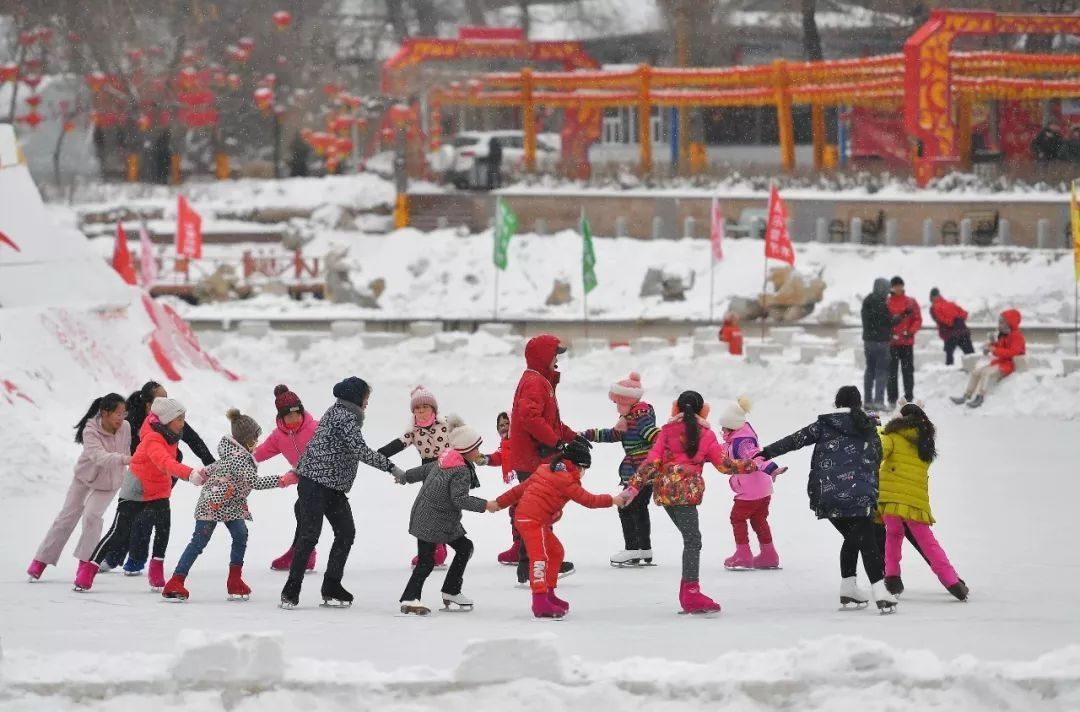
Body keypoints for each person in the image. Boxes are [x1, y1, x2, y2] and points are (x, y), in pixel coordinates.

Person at [758, 386, 898, 613]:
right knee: (866, 540)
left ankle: (849, 587)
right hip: (859, 494)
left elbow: (795, 440)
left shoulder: (824, 424)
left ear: (836, 403)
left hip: (826, 493)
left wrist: (765, 452)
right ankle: (880, 591)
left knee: (854, 538)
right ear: (858, 404)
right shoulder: (867, 427)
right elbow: (877, 456)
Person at [624, 391, 758, 615]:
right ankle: (691, 593)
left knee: (691, 538)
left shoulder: (666, 431)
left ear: (676, 407)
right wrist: (752, 465)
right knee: (693, 540)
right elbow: (725, 466)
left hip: (666, 493)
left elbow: (651, 462)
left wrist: (633, 487)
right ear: (702, 410)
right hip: (686, 495)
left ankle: (689, 591)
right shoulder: (705, 434)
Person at [280, 377, 405, 609]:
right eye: (366, 398)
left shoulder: (338, 411)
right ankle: (291, 590)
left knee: (346, 533)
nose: (367, 403)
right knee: (310, 535)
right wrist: (391, 467)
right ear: (357, 397)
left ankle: (331, 585)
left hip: (333, 487)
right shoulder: (345, 417)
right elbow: (360, 450)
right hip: (315, 484)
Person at [75, 397, 207, 593]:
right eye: (179, 419)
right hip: (136, 488)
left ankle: (156, 571)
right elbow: (165, 462)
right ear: (167, 420)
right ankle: (88, 570)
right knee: (118, 532)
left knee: (163, 528)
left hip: (159, 488)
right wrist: (190, 474)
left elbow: (172, 460)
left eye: (184, 418)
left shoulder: (171, 434)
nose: (183, 423)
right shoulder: (153, 438)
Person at [163, 410, 298, 601]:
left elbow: (214, 468)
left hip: (231, 506)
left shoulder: (235, 456)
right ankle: (176, 581)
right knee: (199, 542)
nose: (257, 442)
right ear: (246, 440)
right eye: (255, 438)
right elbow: (256, 482)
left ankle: (235, 579)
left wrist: (203, 474)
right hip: (212, 505)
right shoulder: (239, 459)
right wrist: (283, 480)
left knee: (240, 535)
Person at [491, 440, 626, 619]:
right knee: (539, 558)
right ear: (578, 466)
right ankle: (539, 601)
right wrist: (613, 500)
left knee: (555, 552)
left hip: (531, 519)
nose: (583, 474)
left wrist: (499, 503)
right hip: (531, 520)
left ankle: (549, 593)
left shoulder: (546, 469)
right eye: (584, 469)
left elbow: (519, 490)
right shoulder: (566, 480)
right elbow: (590, 501)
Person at [106, 381, 215, 576]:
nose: (167, 401)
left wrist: (212, 464)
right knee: (127, 517)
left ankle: (136, 559)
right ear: (148, 405)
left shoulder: (170, 416)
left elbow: (193, 440)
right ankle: (113, 556)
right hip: (141, 474)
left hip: (166, 472)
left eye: (167, 397)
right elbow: (128, 450)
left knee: (147, 515)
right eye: (160, 398)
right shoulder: (136, 421)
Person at [27, 394, 131, 581]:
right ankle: (41, 560)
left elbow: (127, 450)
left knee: (92, 517)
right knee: (65, 519)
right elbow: (99, 456)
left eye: (124, 413)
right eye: (117, 413)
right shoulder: (90, 430)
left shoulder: (125, 427)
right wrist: (125, 459)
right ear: (105, 413)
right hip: (84, 479)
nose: (121, 418)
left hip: (109, 483)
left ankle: (85, 565)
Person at [395, 416, 490, 615]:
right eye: (476, 449)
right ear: (465, 450)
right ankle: (410, 599)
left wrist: (406, 476)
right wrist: (486, 505)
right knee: (426, 561)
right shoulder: (461, 470)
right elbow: (460, 500)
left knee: (464, 547)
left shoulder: (447, 458)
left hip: (428, 515)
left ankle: (451, 590)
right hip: (434, 520)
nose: (479, 453)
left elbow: (425, 469)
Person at [509, 333, 581, 582]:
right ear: (543, 357)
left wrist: (572, 437)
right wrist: (555, 442)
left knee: (538, 511)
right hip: (533, 458)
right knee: (538, 512)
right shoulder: (536, 383)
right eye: (554, 355)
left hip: (533, 457)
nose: (557, 360)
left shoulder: (540, 380)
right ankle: (535, 564)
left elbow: (550, 420)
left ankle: (535, 562)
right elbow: (530, 418)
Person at [877, 404, 968, 601]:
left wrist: (879, 429)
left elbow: (880, 450)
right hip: (915, 500)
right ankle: (952, 581)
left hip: (890, 497)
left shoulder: (892, 435)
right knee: (928, 542)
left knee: (892, 536)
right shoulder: (925, 443)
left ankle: (892, 578)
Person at [579, 372, 660, 567]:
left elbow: (654, 435)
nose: (616, 407)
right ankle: (644, 549)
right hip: (638, 471)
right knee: (638, 508)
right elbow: (613, 434)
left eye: (617, 402)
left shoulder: (640, 415)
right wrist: (586, 434)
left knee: (626, 507)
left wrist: (662, 446)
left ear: (626, 400)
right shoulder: (630, 416)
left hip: (641, 472)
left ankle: (633, 549)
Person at [378, 385, 452, 568]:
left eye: (425, 407)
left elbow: (466, 439)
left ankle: (437, 550)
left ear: (433, 409)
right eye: (417, 408)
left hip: (449, 468)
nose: (421, 411)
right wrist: (377, 455)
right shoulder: (413, 430)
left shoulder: (447, 423)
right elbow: (398, 444)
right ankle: (436, 550)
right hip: (427, 471)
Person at [716, 396, 785, 571]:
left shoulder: (742, 442)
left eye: (723, 427)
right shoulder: (741, 434)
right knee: (758, 519)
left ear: (731, 425)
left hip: (750, 491)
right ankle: (769, 555)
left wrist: (773, 468)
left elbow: (757, 456)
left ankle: (743, 555)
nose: (722, 430)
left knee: (737, 518)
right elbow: (724, 450)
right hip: (763, 489)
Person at [257, 385, 320, 573]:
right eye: (289, 416)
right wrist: (239, 458)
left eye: (297, 414)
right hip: (306, 482)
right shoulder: (278, 437)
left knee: (305, 510)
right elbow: (259, 453)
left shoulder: (315, 428)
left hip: (325, 480)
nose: (294, 419)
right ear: (281, 418)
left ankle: (304, 552)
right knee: (301, 509)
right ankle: (299, 551)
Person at [951, 308, 1025, 408]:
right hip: (1000, 362)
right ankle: (966, 395)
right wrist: (991, 345)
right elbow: (999, 346)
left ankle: (980, 397)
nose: (999, 325)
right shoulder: (1005, 336)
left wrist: (994, 349)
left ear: (1010, 324)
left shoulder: (1017, 337)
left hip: (1008, 365)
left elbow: (1013, 352)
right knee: (976, 372)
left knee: (986, 373)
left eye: (1002, 323)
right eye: (999, 322)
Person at [481, 411, 519, 564]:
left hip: (525, 480)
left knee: (521, 513)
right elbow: (498, 457)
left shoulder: (519, 440)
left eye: (506, 424)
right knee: (515, 511)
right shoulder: (504, 443)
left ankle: (523, 548)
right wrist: (486, 459)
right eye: (500, 426)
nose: (503, 428)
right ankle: (520, 547)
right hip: (516, 483)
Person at [886, 276, 921, 410]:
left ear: (903, 286)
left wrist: (911, 331)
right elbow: (883, 321)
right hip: (892, 344)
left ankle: (909, 398)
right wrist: (888, 333)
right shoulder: (887, 302)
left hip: (907, 343)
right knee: (892, 373)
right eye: (895, 285)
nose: (898, 288)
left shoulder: (911, 302)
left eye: (900, 285)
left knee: (908, 372)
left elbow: (917, 319)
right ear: (892, 287)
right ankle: (891, 399)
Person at [860, 278, 892, 411]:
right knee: (881, 372)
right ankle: (879, 401)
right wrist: (898, 318)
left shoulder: (867, 301)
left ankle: (867, 401)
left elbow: (869, 321)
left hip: (868, 342)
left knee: (870, 370)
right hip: (881, 343)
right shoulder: (881, 304)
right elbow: (886, 322)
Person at [929, 288, 974, 366]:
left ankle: (949, 372)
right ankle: (974, 369)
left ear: (932, 297)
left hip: (950, 334)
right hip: (962, 331)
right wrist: (958, 320)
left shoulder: (934, 307)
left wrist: (951, 323)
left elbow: (939, 319)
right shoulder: (951, 304)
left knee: (948, 357)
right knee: (971, 355)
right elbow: (964, 314)